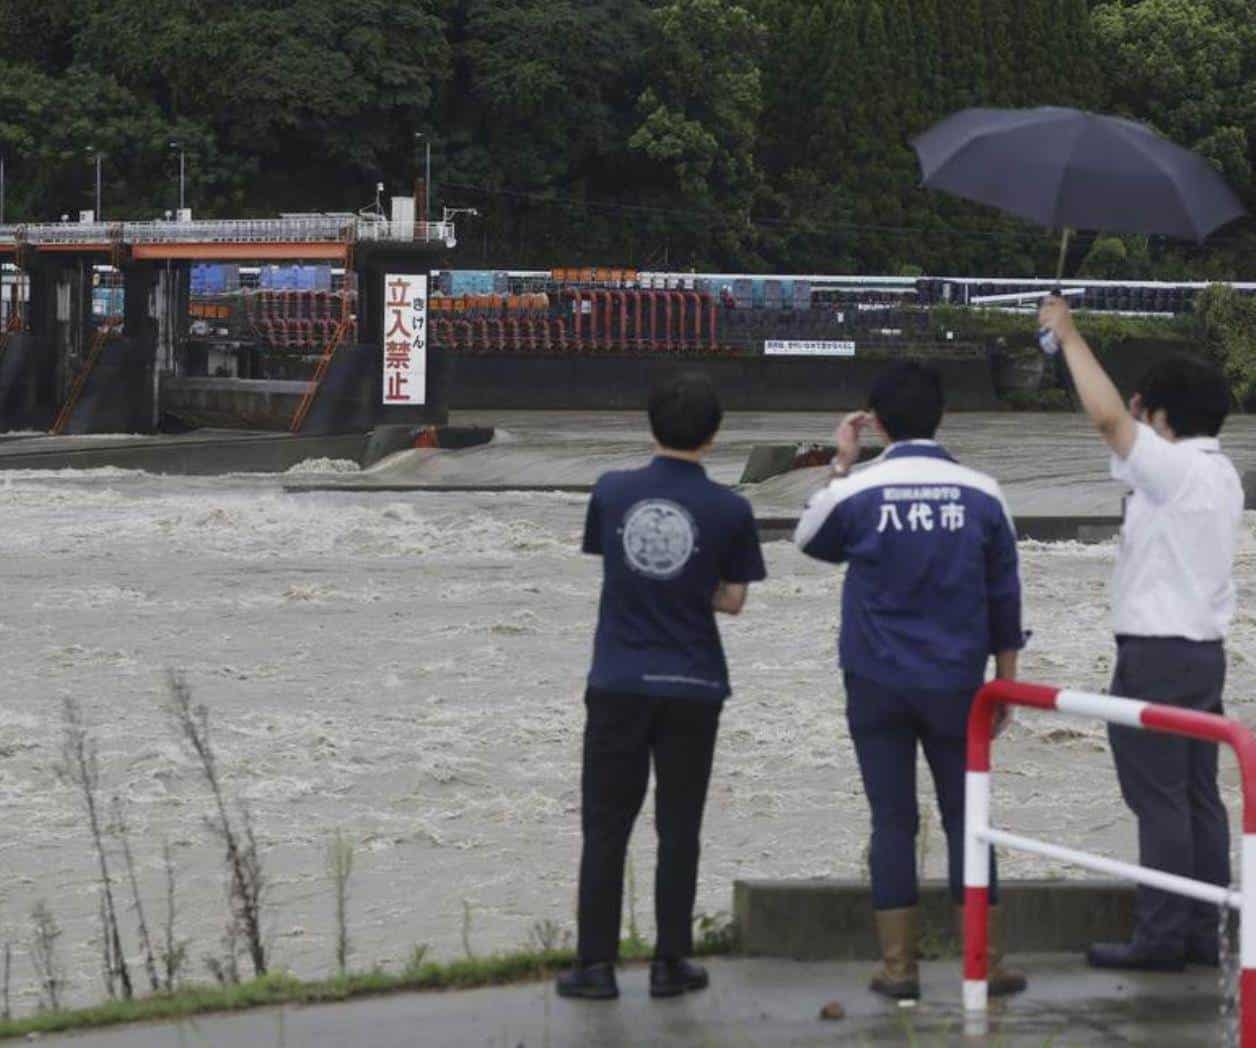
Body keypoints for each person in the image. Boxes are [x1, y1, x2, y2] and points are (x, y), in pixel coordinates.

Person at [794, 361, 1027, 1008]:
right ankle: (986, 961)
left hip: (876, 680)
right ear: (942, 416)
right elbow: (1005, 593)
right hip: (958, 682)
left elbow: (808, 537)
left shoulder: (858, 490)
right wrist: (1006, 682)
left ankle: (899, 970)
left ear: (876, 423)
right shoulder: (983, 493)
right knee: (967, 817)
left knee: (892, 820)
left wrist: (842, 462)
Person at [1039, 296, 1243, 971]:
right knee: (1197, 796)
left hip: (1156, 653)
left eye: (1143, 408)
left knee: (1159, 800)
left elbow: (1106, 420)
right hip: (1202, 654)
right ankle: (1205, 932)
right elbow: (1121, 429)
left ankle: (1160, 938)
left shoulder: (1175, 468)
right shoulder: (1221, 474)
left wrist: (1068, 335)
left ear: (1160, 417)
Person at [557, 371, 767, 1001]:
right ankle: (670, 962)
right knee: (679, 829)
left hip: (618, 679)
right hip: (693, 683)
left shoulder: (611, 492)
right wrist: (697, 584)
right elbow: (733, 600)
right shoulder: (731, 509)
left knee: (605, 827)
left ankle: (595, 966)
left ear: (649, 425)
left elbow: (619, 566)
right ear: (714, 434)